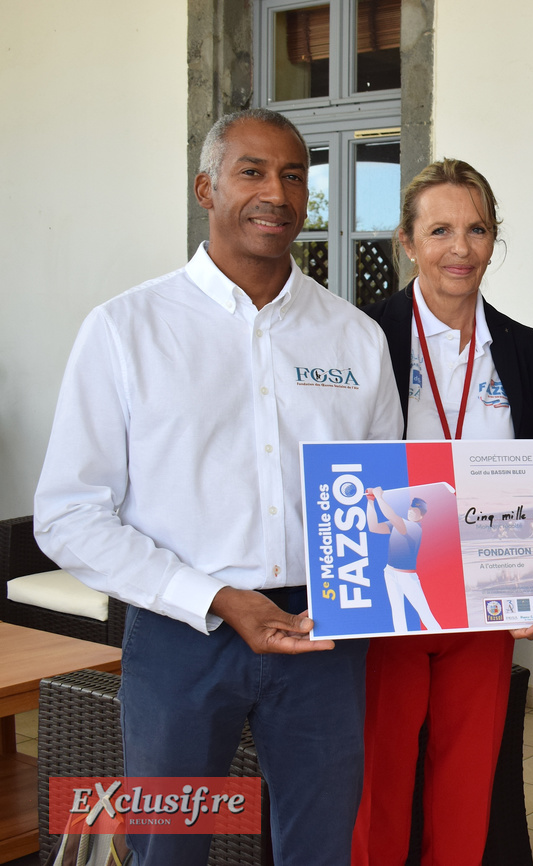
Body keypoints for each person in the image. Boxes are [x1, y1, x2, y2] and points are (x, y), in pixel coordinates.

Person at [32, 108, 404, 865]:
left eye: (294, 176)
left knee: (321, 848)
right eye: (252, 171)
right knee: (168, 851)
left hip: (322, 640)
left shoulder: (355, 337)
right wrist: (212, 598)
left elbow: (385, 501)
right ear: (206, 187)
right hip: (182, 638)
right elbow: (69, 514)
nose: (277, 192)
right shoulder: (125, 329)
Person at [351, 158, 533, 866]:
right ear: (408, 243)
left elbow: (532, 475)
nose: (461, 248)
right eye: (440, 229)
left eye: (477, 229)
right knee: (378, 783)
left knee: (468, 784)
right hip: (394, 576)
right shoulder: (362, 335)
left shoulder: (521, 345)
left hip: (488, 590)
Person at [366, 487, 440, 632]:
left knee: (425, 614)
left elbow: (393, 517)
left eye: (416, 511)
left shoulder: (414, 528)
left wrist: (380, 497)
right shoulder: (399, 524)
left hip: (407, 577)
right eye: (411, 509)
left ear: (421, 517)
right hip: (390, 572)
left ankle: (442, 635)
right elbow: (373, 527)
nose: (412, 512)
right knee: (397, 612)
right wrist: (371, 502)